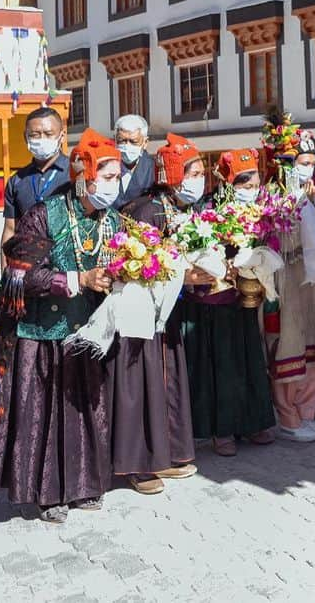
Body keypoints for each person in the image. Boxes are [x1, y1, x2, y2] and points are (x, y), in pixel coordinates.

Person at [0, 129, 121, 523]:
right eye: (109, 177)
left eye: (118, 177)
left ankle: (84, 484)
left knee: (84, 410)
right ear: (85, 177)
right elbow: (18, 277)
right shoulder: (44, 215)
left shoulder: (113, 219)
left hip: (88, 332)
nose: (115, 186)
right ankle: (47, 494)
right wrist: (77, 280)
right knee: (45, 413)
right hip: (42, 333)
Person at [115, 133, 200, 493]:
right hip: (141, 316)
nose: (200, 179)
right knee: (143, 383)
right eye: (194, 172)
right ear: (176, 174)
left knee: (168, 380)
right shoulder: (149, 210)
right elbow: (137, 266)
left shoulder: (177, 208)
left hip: (165, 313)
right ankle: (139, 463)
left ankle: (169, 453)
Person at [178, 148, 276, 457]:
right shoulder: (207, 210)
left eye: (255, 184)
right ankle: (222, 429)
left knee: (249, 357)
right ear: (228, 182)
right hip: (213, 300)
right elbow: (196, 246)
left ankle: (252, 421)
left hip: (243, 295)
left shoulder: (258, 210)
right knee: (221, 364)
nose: (251, 191)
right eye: (244, 184)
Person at [262, 123, 315, 442]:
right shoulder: (272, 198)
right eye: (302, 163)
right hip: (287, 279)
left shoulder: (313, 199)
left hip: (314, 281)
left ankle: (307, 411)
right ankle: (288, 417)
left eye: (312, 164)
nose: (308, 169)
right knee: (290, 348)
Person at [1, 107, 70, 254]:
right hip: (27, 263)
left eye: (48, 134)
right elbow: (9, 230)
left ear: (62, 135)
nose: (42, 139)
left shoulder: (75, 175)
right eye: (35, 135)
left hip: (67, 266)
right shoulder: (17, 181)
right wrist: (6, 273)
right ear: (26, 137)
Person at [113, 114, 155, 209]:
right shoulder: (104, 165)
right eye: (122, 141)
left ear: (145, 143)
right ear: (115, 140)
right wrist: (80, 177)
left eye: (133, 142)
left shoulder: (154, 169)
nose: (127, 146)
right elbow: (81, 195)